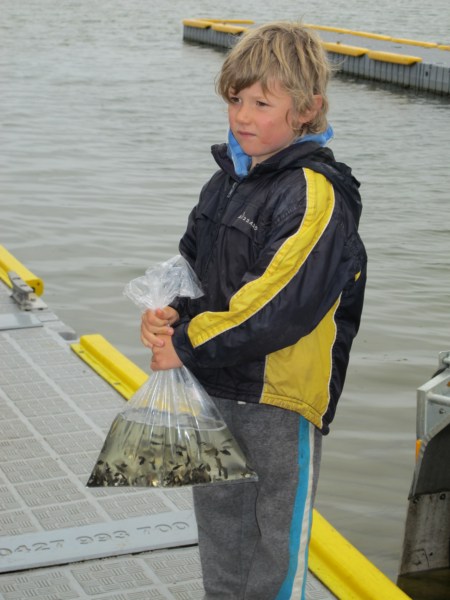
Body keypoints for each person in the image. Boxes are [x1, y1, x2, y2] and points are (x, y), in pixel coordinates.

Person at [141, 21, 367, 600]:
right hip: (213, 383)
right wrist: (164, 311)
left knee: (274, 542)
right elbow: (191, 264)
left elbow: (278, 306)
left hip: (278, 397)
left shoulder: (316, 193)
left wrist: (185, 343)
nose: (243, 116)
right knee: (220, 525)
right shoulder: (226, 181)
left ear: (307, 110)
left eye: (262, 102)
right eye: (235, 99)